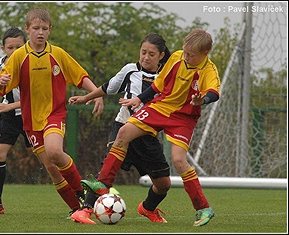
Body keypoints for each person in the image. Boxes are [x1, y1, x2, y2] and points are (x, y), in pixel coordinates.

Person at [70, 28, 220, 227]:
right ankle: (101, 187)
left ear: (205, 54)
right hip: (160, 107)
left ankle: (202, 208)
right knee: (123, 133)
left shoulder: (208, 70)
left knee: (177, 162)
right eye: (184, 52)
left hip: (183, 118)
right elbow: (157, 86)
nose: (185, 57)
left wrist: (203, 100)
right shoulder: (174, 58)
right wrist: (138, 100)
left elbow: (214, 92)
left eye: (191, 55)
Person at [0, 8, 104, 217]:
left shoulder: (58, 54)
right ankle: (76, 209)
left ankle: (83, 195)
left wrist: (97, 94)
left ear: (50, 30)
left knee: (54, 152)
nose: (40, 32)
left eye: (44, 28)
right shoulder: (18, 57)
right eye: (36, 28)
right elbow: (0, 87)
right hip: (31, 121)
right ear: (28, 29)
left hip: (54, 114)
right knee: (52, 169)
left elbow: (80, 76)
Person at [68, 33, 172, 224]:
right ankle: (84, 211)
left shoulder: (166, 78)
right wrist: (85, 98)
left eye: (151, 54)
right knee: (105, 174)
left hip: (147, 136)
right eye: (143, 52)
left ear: (161, 56)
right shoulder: (130, 70)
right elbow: (108, 87)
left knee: (164, 184)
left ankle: (148, 208)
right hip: (123, 127)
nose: (146, 57)